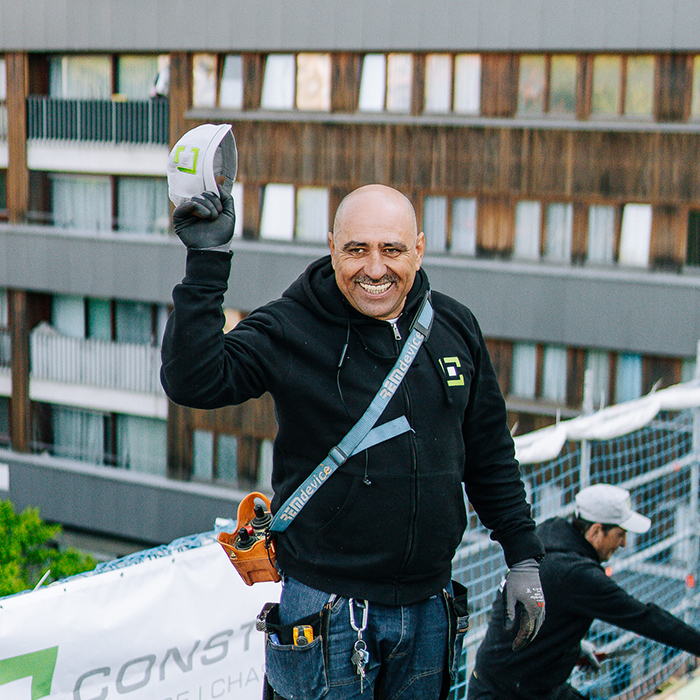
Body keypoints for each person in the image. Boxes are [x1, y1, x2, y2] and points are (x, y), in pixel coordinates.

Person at [161, 165, 546, 699]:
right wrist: (206, 259)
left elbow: (489, 454)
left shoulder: (455, 326)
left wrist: (523, 556)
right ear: (331, 247)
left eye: (392, 250)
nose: (375, 268)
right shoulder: (291, 325)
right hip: (327, 611)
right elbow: (193, 380)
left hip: (431, 608)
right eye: (356, 249)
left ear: (420, 248)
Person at [468, 483, 700, 700]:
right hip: (507, 693)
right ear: (597, 530)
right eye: (620, 534)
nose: (624, 544)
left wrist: (573, 647)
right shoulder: (574, 574)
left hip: (521, 681)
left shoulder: (548, 535)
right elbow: (644, 617)